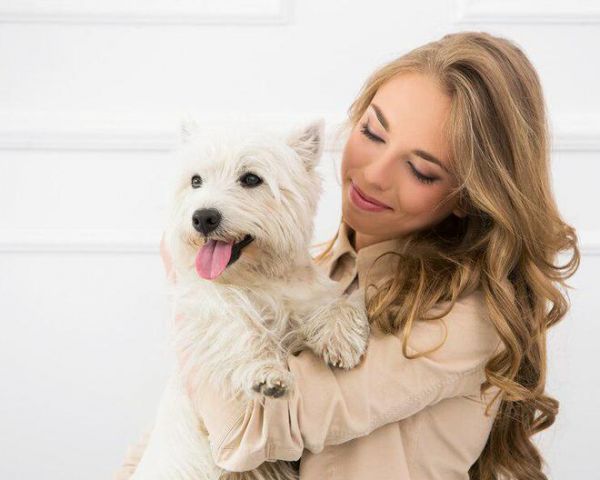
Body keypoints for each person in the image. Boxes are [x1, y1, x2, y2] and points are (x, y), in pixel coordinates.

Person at [114, 31, 580, 480]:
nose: (374, 175)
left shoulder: (460, 319)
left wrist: (188, 288)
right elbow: (173, 423)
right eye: (372, 133)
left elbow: (249, 429)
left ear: (468, 196)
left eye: (420, 169)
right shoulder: (311, 272)